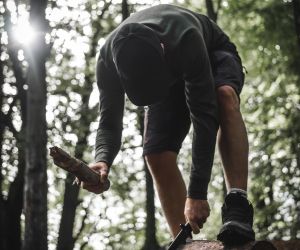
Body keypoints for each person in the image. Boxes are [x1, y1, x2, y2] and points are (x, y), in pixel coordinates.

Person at [82, 4, 255, 245]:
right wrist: (102, 160)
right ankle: (184, 241)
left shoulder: (186, 38)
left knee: (223, 96)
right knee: (155, 152)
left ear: (162, 50)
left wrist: (197, 194)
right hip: (169, 75)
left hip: (212, 53)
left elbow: (204, 118)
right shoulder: (107, 62)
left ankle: (237, 202)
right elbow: (109, 122)